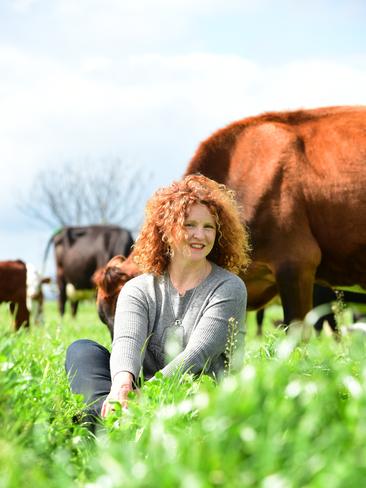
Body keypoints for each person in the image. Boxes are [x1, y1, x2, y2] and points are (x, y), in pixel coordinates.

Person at [65, 174, 250, 421]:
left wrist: (148, 395)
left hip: (199, 393)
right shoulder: (138, 289)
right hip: (140, 392)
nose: (200, 235)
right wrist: (121, 386)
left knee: (199, 395)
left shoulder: (229, 287)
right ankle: (114, 414)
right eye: (189, 225)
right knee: (82, 350)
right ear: (166, 229)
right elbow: (127, 341)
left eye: (209, 227)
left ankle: (107, 421)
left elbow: (199, 354)